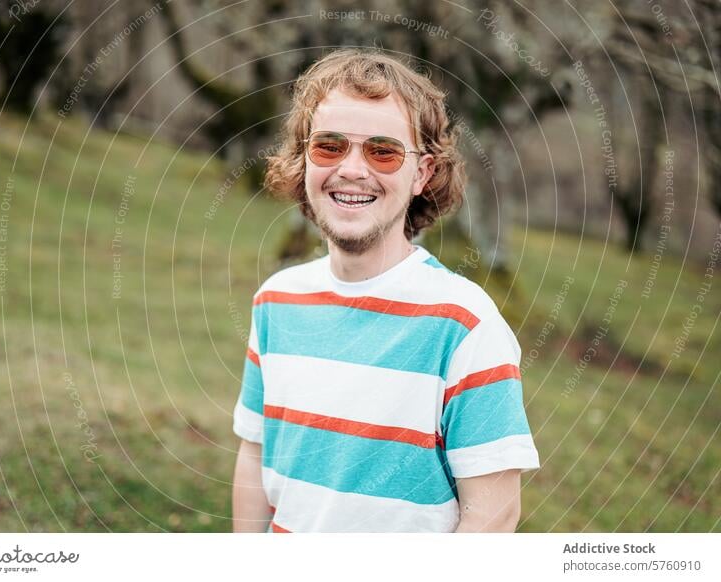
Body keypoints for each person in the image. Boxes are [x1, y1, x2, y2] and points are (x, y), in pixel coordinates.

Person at [231, 48, 540, 533]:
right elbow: (253, 456)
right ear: (304, 159)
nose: (352, 170)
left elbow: (494, 516)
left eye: (383, 151)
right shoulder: (275, 302)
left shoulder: (464, 324)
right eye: (330, 146)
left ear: (423, 173)